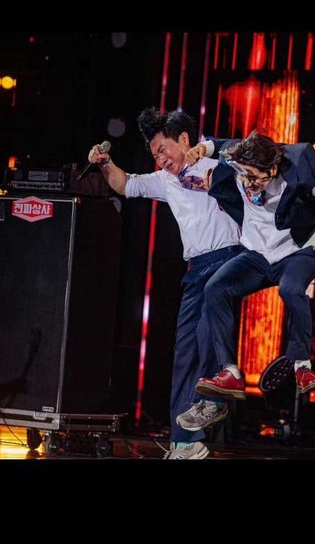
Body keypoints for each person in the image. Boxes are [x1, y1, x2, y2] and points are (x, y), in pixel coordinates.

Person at [176, 130, 315, 425]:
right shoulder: (237, 156)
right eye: (244, 176)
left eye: (255, 178)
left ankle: (302, 366)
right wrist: (201, 148)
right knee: (215, 288)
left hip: (296, 252)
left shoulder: (300, 161)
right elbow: (217, 145)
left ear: (273, 169)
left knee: (290, 290)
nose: (249, 184)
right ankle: (230, 372)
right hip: (257, 255)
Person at [87, 107, 242, 459]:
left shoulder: (216, 163)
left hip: (227, 261)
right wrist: (105, 163)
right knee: (184, 352)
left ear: (184, 140)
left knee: (206, 340)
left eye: (163, 150)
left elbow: (247, 154)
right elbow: (125, 184)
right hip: (196, 269)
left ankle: (208, 412)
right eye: (154, 154)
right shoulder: (166, 180)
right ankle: (183, 443)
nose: (160, 159)